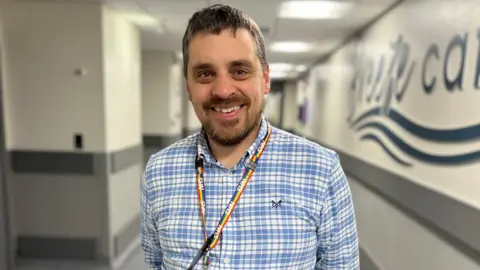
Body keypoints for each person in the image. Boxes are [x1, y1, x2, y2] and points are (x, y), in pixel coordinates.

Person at [140, 4, 359, 269]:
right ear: (188, 87)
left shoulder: (321, 171)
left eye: (240, 71)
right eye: (205, 74)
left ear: (265, 79)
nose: (222, 90)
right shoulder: (158, 172)